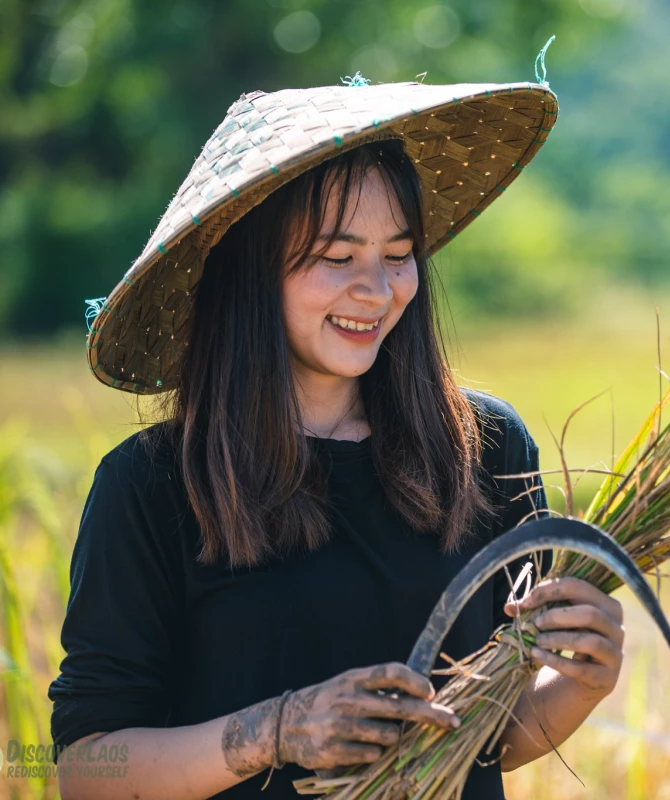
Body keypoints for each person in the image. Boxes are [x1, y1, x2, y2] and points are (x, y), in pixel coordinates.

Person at [47, 79, 626, 799]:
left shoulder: (488, 450)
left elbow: (491, 741)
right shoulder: (151, 485)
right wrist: (279, 730)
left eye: (399, 252)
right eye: (336, 255)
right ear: (249, 270)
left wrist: (578, 684)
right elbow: (86, 771)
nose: (378, 291)